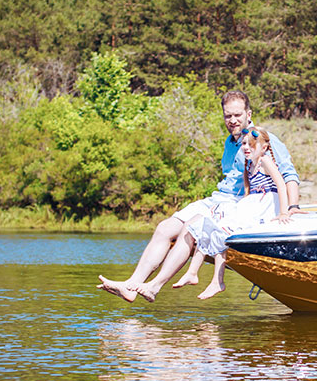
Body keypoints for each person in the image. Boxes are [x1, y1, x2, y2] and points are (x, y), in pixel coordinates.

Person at [98, 90, 300, 302]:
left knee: (190, 228)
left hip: (237, 205)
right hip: (218, 198)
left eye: (237, 115)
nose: (232, 120)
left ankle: (155, 286)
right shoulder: (230, 143)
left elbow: (287, 174)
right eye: (227, 116)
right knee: (164, 229)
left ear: (248, 114)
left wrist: (292, 207)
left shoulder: (262, 138)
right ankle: (132, 285)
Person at [137, 127, 290, 302]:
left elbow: (281, 184)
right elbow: (248, 194)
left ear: (263, 148)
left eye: (252, 145)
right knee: (210, 223)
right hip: (251, 203)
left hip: (266, 204)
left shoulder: (265, 161)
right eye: (244, 144)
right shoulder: (248, 165)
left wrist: (284, 212)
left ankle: (217, 281)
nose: (247, 147)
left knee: (223, 229)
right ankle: (192, 272)